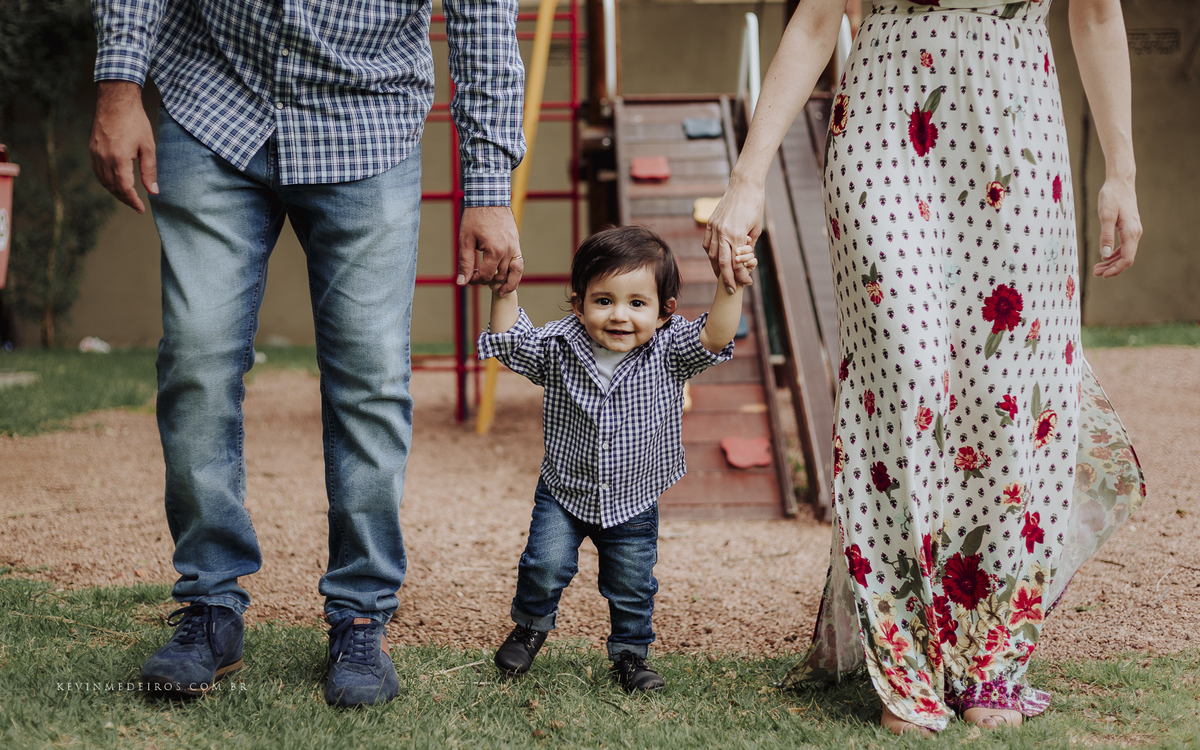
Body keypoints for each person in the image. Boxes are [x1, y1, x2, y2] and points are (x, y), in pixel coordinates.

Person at [704, 0, 1145, 735]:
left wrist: (1121, 173)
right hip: (884, 124)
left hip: (1016, 133)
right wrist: (748, 178)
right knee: (902, 372)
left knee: (1003, 393)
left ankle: (988, 655)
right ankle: (904, 657)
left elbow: (1097, 16)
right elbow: (815, 22)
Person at [89, 0, 525, 707]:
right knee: (196, 360)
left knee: (370, 379)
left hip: (367, 119)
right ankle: (210, 605)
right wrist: (119, 87)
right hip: (215, 99)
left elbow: (483, 18)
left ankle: (361, 615)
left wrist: (489, 188)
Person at [477, 225, 755, 691]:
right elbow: (510, 343)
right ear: (579, 303)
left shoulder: (669, 351)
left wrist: (731, 286)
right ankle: (529, 628)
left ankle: (630, 655)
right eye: (603, 300)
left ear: (664, 312)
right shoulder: (560, 346)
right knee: (544, 565)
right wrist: (504, 291)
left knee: (631, 584)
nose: (619, 315)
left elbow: (714, 337)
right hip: (565, 492)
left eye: (637, 303)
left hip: (632, 499)